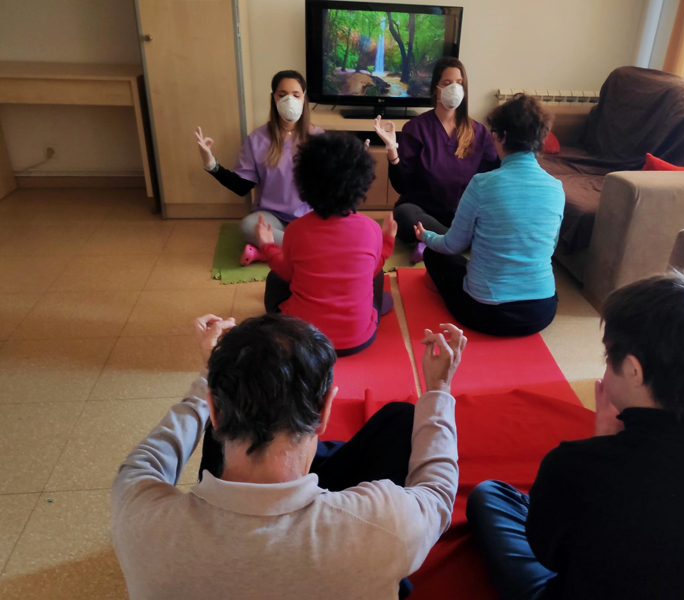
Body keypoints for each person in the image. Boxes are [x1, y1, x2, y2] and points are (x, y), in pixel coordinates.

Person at [466, 272, 684, 600]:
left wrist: (600, 444)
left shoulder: (574, 466)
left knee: (489, 496)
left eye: (608, 357)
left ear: (634, 370)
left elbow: (547, 556)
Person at [111, 313, 466, 600]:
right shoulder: (385, 526)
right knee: (402, 422)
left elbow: (150, 458)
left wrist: (211, 377)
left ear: (213, 411)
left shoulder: (137, 515)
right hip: (358, 539)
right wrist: (439, 389)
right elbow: (437, 493)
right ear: (326, 410)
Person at [415, 94, 564, 337]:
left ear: (502, 136)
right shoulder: (557, 188)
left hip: (487, 313)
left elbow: (453, 245)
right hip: (542, 312)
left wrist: (427, 237)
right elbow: (549, 247)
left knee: (435, 254)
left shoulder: (483, 184)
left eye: (494, 133)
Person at [252, 132, 396, 356]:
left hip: (305, 341)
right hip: (359, 339)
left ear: (304, 183)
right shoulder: (371, 229)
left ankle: (282, 321)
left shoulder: (296, 230)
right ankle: (371, 309)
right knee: (375, 273)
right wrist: (388, 241)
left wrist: (268, 246)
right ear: (361, 184)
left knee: (275, 278)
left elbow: (287, 273)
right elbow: (374, 266)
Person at [373, 57, 500, 263]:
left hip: (462, 216)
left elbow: (494, 178)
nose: (454, 88)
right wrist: (392, 151)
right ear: (435, 89)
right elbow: (401, 186)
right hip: (422, 213)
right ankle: (449, 243)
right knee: (403, 214)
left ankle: (435, 242)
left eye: (459, 83)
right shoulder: (416, 128)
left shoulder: (478, 132)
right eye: (448, 83)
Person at [195, 70, 321, 264]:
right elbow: (241, 187)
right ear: (273, 98)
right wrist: (211, 164)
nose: (290, 100)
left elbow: (331, 185)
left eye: (296, 95)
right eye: (282, 94)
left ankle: (267, 251)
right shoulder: (257, 139)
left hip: (309, 216)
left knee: (346, 225)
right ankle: (310, 250)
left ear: (304, 99)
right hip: (273, 216)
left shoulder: (319, 138)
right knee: (247, 226)